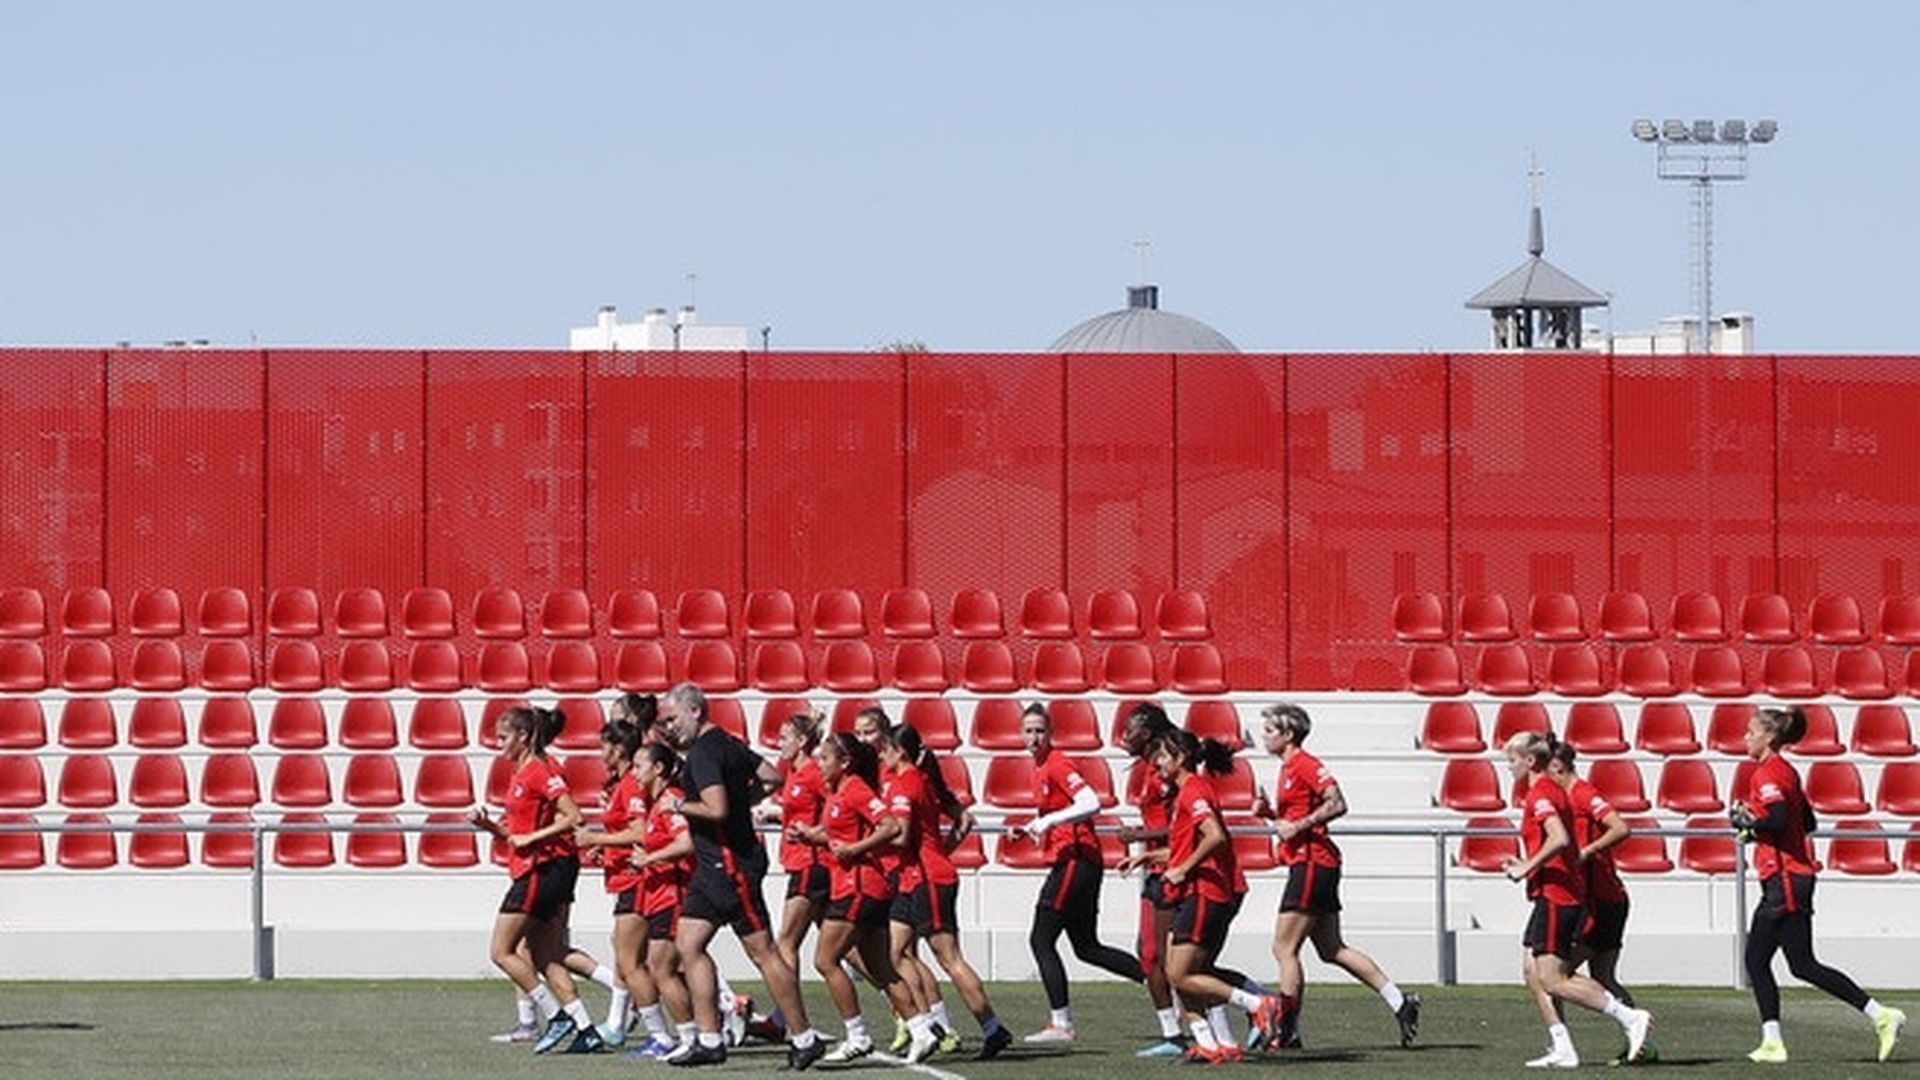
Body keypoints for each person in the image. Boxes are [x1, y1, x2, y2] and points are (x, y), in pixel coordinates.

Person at [659, 683, 826, 1070]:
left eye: (672, 718)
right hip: (713, 865)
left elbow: (716, 809)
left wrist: (680, 805)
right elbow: (770, 777)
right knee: (688, 944)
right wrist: (741, 804)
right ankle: (710, 1039)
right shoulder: (728, 743)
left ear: (695, 711)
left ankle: (804, 1037)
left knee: (764, 952)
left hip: (729, 864)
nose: (669, 727)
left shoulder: (702, 753)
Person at [1735, 706, 1906, 1064]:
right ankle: (1772, 1042)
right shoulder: (1785, 772)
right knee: (1766, 960)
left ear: (1768, 737)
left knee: (1798, 964)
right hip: (1787, 878)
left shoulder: (1768, 773)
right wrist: (1757, 828)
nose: (1746, 738)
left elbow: (1779, 819)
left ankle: (1881, 1014)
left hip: (1785, 881)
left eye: (1751, 732)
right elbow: (1807, 821)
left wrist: (1751, 824)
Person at [1252, 702, 1418, 1050]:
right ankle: (1399, 1002)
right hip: (1315, 862)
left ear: (1288, 734)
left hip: (1312, 863)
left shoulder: (1305, 764)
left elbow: (1338, 802)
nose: (1263, 736)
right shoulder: (1288, 768)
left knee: (1284, 948)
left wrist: (1297, 825)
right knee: (1331, 949)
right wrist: (1270, 813)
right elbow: (1296, 817)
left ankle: (1287, 1029)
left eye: (1269, 730)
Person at [1117, 702, 1273, 1057]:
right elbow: (1186, 840)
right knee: (1180, 968)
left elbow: (1214, 836)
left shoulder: (1192, 790)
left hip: (1203, 888)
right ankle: (1216, 1043)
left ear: (1178, 756)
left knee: (1183, 970)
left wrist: (1182, 867)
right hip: (1189, 883)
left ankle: (1257, 1004)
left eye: (1163, 758)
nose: (1157, 764)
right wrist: (1146, 854)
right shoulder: (1185, 788)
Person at [1501, 731, 1652, 1068]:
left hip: (1571, 896)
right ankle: (1563, 1044)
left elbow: (1562, 837)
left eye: (1511, 760)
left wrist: (1528, 865)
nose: (1507, 767)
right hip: (1559, 893)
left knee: (1555, 976)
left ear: (1533, 762)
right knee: (1536, 971)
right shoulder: (1554, 792)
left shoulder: (1548, 794)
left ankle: (1629, 1018)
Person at [786, 732, 940, 1064]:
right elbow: (837, 831)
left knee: (825, 960)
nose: (819, 764)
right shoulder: (837, 791)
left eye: (825, 758)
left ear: (844, 762)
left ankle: (857, 1035)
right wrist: (808, 836)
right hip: (857, 887)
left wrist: (855, 850)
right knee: (882, 969)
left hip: (860, 887)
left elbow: (889, 826)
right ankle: (922, 1029)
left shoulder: (856, 788)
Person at [1011, 701, 1148, 1044]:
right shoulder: (1039, 767)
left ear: (1051, 733)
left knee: (1041, 939)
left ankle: (1062, 1024)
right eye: (1028, 731)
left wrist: (1046, 821)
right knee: (1086, 947)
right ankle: (1160, 982)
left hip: (1076, 860)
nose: (1034, 737)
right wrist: (1031, 826)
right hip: (1076, 860)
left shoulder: (1057, 764)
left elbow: (1091, 802)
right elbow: (1058, 811)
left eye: (1040, 730)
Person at [468, 705, 602, 1054]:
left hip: (538, 872)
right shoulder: (520, 774)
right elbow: (514, 834)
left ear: (523, 736)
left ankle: (555, 1015)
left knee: (501, 951)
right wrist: (488, 826)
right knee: (544, 954)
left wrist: (535, 837)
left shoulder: (538, 772)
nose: (499, 746)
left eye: (504, 738)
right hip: (531, 867)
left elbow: (574, 815)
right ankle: (586, 1029)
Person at [878, 722, 1015, 1060]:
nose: (880, 754)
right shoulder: (919, 780)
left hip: (927, 880)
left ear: (900, 752)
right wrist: (943, 850)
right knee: (895, 953)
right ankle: (929, 1023)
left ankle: (992, 1027)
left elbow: (902, 836)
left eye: (885, 748)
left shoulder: (906, 784)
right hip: (917, 877)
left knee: (949, 958)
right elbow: (962, 819)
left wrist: (863, 843)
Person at [851, 706, 957, 1056]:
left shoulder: (899, 772)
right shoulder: (866, 770)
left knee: (903, 953)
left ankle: (937, 1022)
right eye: (859, 733)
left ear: (884, 735)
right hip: (886, 868)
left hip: (901, 871)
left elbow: (921, 819)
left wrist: (938, 851)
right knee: (882, 953)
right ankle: (909, 1017)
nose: (864, 740)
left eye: (869, 733)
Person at [1542, 741, 1645, 1064]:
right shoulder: (1564, 798)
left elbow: (1621, 827)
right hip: (1602, 899)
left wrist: (1587, 851)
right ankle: (1641, 1037)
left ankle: (1568, 1045)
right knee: (1603, 977)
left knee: (1554, 976)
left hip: (1603, 901)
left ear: (1558, 768)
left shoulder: (1583, 793)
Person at [747, 703, 830, 1041]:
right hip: (799, 861)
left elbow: (835, 809)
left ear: (801, 740)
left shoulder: (812, 771)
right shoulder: (795, 773)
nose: (778, 744)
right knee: (849, 953)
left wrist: (813, 831)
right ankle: (910, 1012)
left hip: (811, 864)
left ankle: (785, 1017)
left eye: (785, 739)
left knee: (786, 942)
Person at [570, 715, 650, 1049]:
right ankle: (617, 1022)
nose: (600, 752)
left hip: (637, 878)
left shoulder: (631, 783)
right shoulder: (621, 783)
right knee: (629, 955)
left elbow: (640, 831)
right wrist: (607, 849)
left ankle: (659, 1031)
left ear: (618, 749)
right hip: (624, 876)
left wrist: (596, 839)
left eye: (604, 745)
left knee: (634, 959)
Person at [628, 741, 698, 1060]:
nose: (634, 772)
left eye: (639, 765)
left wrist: (651, 858)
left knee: (662, 968)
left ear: (658, 769)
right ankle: (712, 1020)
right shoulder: (657, 803)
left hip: (674, 893)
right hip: (658, 894)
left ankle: (690, 1037)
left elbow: (687, 842)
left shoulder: (671, 800)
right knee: (666, 967)